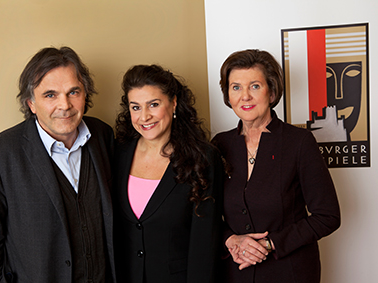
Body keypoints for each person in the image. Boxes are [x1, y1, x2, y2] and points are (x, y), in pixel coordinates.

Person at [0, 46, 116, 283]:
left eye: (73, 92)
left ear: (85, 94)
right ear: (31, 103)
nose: (64, 105)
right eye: (50, 95)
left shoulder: (103, 136)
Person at [212, 49, 341, 283]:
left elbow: (327, 216)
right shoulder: (219, 144)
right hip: (234, 272)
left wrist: (270, 244)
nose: (245, 97)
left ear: (271, 92)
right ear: (228, 95)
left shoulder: (299, 143)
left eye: (255, 86)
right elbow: (205, 213)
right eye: (236, 87)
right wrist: (231, 239)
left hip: (289, 271)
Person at [113, 64, 223, 283]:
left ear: (173, 103)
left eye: (153, 104)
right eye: (135, 107)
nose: (144, 116)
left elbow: (204, 244)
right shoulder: (117, 153)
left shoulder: (202, 158)